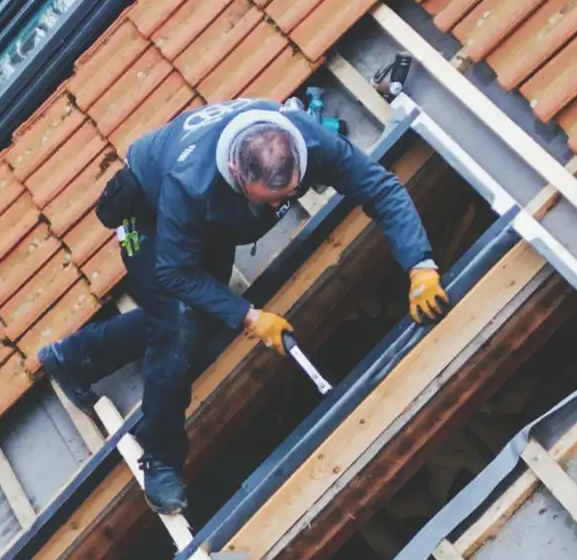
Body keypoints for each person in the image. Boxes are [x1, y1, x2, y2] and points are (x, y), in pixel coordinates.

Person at [38, 98, 448, 515]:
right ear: (236, 171)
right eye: (268, 200)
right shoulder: (190, 182)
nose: (277, 208)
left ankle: (73, 358)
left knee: (206, 310)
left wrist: (420, 265)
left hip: (212, 222)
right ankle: (161, 458)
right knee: (179, 326)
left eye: (285, 196)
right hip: (147, 219)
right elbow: (175, 273)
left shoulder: (308, 139)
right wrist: (249, 316)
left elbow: (380, 187)